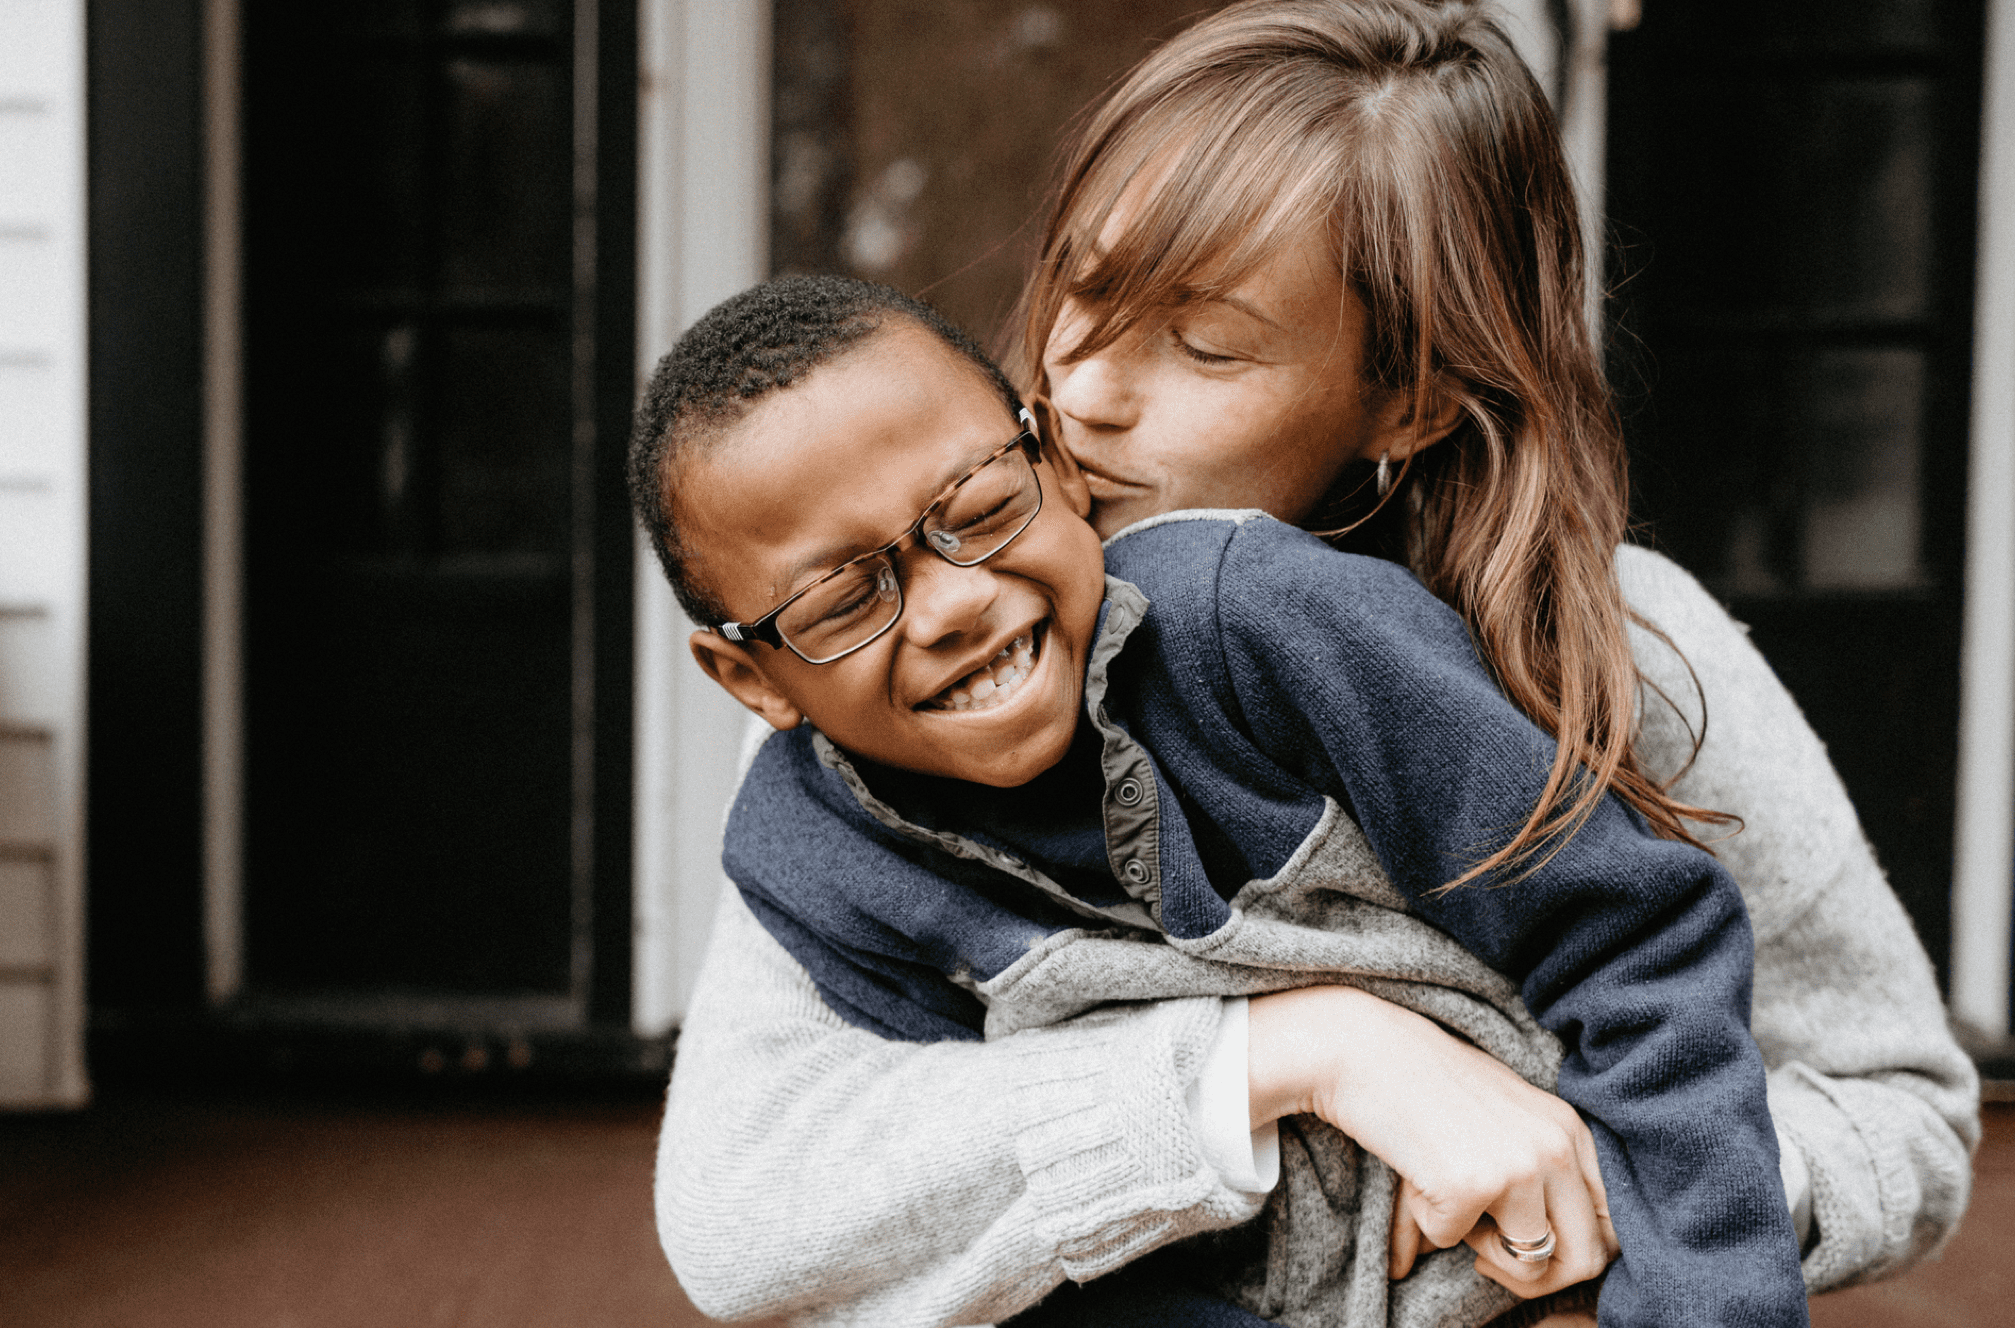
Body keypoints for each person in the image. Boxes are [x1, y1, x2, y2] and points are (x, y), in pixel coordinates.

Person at [651, 3, 1979, 1325]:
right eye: (1081, 291)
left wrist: (1597, 1226)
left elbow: (1897, 1114)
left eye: (1204, 344)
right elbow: (755, 1205)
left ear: (1405, 399)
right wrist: (1291, 1059)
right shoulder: (889, 705)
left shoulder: (1629, 650)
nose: (1087, 389)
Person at [629, 271, 1809, 1328]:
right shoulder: (813, 858)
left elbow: (1632, 940)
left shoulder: (1262, 625)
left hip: (1536, 1269)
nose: (951, 604)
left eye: (980, 506)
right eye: (842, 599)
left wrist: (1688, 1303)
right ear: (750, 677)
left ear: (1051, 457)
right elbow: (992, 1240)